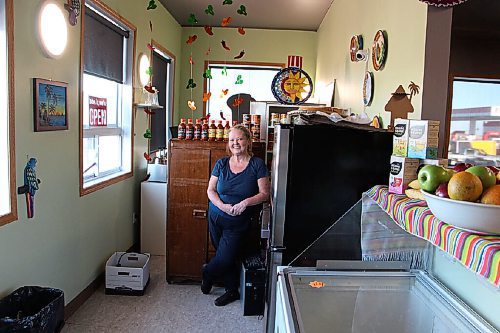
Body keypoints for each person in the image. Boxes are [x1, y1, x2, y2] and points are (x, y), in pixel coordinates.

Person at [203, 124, 269, 306]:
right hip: (216, 215)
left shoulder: (257, 164)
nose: (235, 143)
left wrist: (245, 202)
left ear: (248, 141)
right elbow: (210, 190)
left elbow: (265, 194)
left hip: (238, 221)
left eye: (239, 139)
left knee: (224, 257)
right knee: (225, 256)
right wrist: (222, 206)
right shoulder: (222, 163)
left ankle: (207, 273)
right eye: (232, 140)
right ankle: (231, 291)